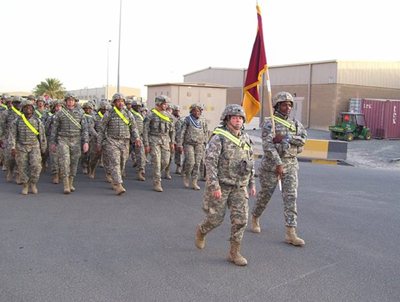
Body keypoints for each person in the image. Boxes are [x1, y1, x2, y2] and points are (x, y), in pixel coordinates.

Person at [194, 104, 256, 266]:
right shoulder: (219, 138)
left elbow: (250, 162)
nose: (238, 120)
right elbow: (211, 163)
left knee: (241, 220)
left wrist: (252, 183)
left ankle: (234, 252)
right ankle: (202, 230)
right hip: (222, 185)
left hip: (239, 186)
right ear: (227, 119)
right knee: (215, 219)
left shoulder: (246, 138)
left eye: (240, 118)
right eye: (234, 117)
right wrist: (214, 186)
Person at [251, 92, 307, 246]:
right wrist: (278, 163)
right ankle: (255, 217)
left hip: (291, 164)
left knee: (290, 197)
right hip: (271, 166)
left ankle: (291, 232)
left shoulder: (296, 124)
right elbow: (267, 146)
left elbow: (303, 140)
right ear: (276, 106)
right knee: (265, 195)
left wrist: (286, 138)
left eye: (289, 104)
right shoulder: (270, 123)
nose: (287, 107)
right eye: (284, 104)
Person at [97, 93, 141, 195]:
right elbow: (101, 129)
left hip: (125, 141)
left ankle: (115, 179)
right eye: (118, 101)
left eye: (122, 101)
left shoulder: (128, 114)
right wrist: (99, 144)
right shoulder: (109, 114)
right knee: (115, 162)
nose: (120, 103)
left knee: (122, 162)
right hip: (112, 141)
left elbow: (133, 127)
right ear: (114, 103)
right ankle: (119, 185)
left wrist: (137, 138)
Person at [50, 93, 89, 194]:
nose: (70, 102)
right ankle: (66, 184)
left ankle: (71, 182)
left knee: (74, 162)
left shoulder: (80, 113)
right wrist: (53, 143)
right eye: (68, 100)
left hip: (76, 140)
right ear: (66, 101)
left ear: (75, 101)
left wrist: (86, 142)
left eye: (72, 100)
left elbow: (85, 129)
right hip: (63, 140)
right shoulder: (60, 113)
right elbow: (54, 129)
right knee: (64, 162)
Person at [9, 100, 47, 195]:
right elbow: (12, 135)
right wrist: (13, 147)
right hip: (21, 147)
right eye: (26, 107)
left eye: (30, 107)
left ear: (33, 109)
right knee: (22, 167)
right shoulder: (17, 121)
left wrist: (43, 148)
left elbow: (42, 136)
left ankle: (33, 183)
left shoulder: (37, 121)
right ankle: (25, 185)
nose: (28, 109)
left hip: (34, 146)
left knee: (36, 166)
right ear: (22, 109)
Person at [143, 95, 175, 192]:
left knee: (165, 161)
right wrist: (146, 144)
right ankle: (157, 181)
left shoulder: (168, 116)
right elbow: (145, 130)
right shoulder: (150, 115)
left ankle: (157, 174)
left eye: (166, 104)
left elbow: (172, 130)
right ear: (159, 104)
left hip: (165, 140)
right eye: (164, 104)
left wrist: (172, 142)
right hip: (154, 139)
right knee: (156, 161)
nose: (165, 106)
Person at [177, 102, 208, 190]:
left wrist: (205, 142)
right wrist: (179, 144)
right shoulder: (187, 120)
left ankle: (194, 181)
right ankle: (186, 175)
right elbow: (182, 132)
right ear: (191, 111)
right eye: (194, 111)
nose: (196, 112)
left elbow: (205, 132)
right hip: (188, 143)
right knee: (191, 162)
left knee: (197, 163)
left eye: (198, 111)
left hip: (199, 144)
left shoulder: (203, 120)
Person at [0, 95, 23, 183]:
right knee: (9, 158)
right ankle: (10, 170)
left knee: (20, 158)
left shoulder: (23, 113)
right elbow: (1, 126)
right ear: (12, 103)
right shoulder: (6, 113)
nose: (18, 105)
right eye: (16, 103)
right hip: (8, 137)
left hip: (20, 139)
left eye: (19, 103)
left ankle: (18, 175)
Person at [88, 100, 110, 179]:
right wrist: (96, 135)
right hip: (96, 140)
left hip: (107, 139)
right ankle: (91, 169)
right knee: (95, 157)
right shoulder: (95, 117)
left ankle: (108, 174)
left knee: (107, 158)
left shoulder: (110, 116)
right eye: (103, 109)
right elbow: (90, 128)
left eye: (107, 109)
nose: (105, 111)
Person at [45, 100, 63, 184]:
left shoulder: (66, 117)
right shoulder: (51, 117)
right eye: (56, 106)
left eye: (60, 106)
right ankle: (55, 174)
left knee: (62, 158)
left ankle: (61, 172)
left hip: (63, 140)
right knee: (54, 158)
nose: (58, 108)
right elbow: (46, 128)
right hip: (53, 139)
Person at [129, 98, 146, 181]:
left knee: (141, 155)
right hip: (129, 138)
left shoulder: (141, 115)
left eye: (139, 106)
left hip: (139, 137)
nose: (138, 107)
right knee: (124, 156)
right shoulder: (130, 114)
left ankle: (140, 172)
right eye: (136, 106)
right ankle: (120, 171)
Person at [172, 105, 184, 174]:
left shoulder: (180, 119)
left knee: (179, 153)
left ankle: (178, 167)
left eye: (178, 111)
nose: (177, 112)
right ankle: (166, 169)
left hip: (179, 138)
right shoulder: (171, 118)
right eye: (176, 111)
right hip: (171, 138)